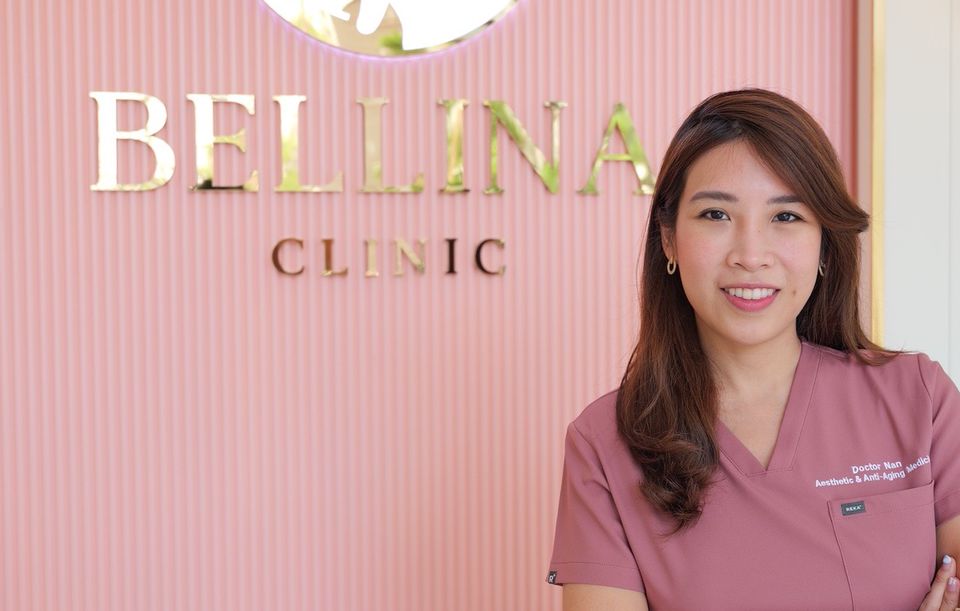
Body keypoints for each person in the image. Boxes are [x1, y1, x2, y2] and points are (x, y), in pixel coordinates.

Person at [544, 88, 960, 611]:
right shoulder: (605, 443)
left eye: (786, 217)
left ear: (824, 243)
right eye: (716, 214)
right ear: (669, 240)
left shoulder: (918, 398)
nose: (751, 255)